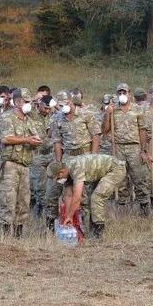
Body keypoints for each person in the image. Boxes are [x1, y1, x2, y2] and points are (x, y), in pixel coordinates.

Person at [45, 90, 102, 226]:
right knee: (67, 190)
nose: (63, 107)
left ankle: (88, 223)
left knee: (85, 192)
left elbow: (95, 136)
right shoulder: (57, 118)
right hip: (68, 157)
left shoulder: (86, 114)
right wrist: (59, 162)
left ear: (71, 101)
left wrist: (93, 156)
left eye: (65, 103)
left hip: (85, 155)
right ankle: (70, 222)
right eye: (60, 105)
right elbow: (57, 142)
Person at [46, 154, 128, 238]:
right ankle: (92, 231)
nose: (58, 181)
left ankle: (98, 234)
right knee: (91, 200)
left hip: (116, 169)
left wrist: (70, 216)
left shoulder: (75, 168)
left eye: (57, 178)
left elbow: (77, 197)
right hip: (101, 173)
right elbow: (68, 196)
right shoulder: (67, 173)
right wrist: (67, 217)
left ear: (61, 172)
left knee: (96, 198)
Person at [103, 82, 153, 215]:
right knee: (121, 180)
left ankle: (144, 209)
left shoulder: (137, 110)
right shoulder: (113, 110)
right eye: (119, 93)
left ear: (129, 94)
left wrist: (143, 151)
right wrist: (108, 114)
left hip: (134, 148)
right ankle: (124, 210)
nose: (122, 95)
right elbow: (105, 130)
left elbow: (142, 130)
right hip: (118, 148)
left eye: (124, 92)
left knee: (140, 178)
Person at [0, 88, 42, 237]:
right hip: (10, 164)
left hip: (25, 164)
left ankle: (18, 234)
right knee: (8, 200)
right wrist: (27, 140)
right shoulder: (7, 117)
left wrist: (36, 141)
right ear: (17, 102)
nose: (29, 104)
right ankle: (5, 235)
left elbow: (36, 137)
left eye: (30, 101)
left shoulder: (29, 120)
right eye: (26, 101)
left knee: (23, 201)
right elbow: (6, 138)